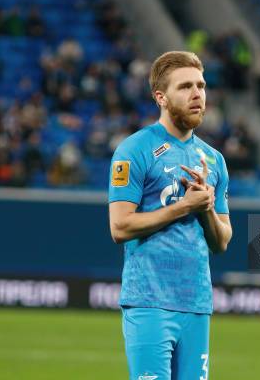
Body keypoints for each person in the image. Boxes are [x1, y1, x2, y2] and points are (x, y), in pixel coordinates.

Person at [108, 51, 232, 379]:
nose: (197, 94)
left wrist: (205, 208)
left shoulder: (213, 159)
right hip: (149, 301)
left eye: (201, 86)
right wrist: (183, 207)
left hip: (196, 302)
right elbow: (120, 226)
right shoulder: (134, 150)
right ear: (161, 97)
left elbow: (222, 241)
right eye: (186, 87)